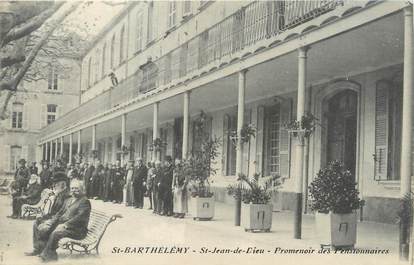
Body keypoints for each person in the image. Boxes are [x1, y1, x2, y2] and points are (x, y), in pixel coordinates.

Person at [38, 179, 91, 262]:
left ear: (82, 189)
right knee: (43, 225)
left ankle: (49, 256)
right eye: (72, 188)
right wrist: (51, 222)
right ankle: (43, 251)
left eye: (77, 188)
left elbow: (80, 217)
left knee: (56, 232)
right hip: (65, 226)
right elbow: (59, 213)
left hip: (77, 230)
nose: (74, 190)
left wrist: (66, 224)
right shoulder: (69, 200)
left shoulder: (84, 201)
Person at [25, 172, 71, 256]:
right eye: (54, 184)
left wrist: (49, 220)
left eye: (56, 184)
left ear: (63, 184)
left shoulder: (67, 196)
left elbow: (62, 213)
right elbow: (54, 211)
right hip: (54, 218)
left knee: (44, 227)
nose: (54, 186)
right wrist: (44, 216)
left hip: (61, 221)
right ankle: (37, 248)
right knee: (37, 222)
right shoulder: (59, 193)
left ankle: (44, 250)